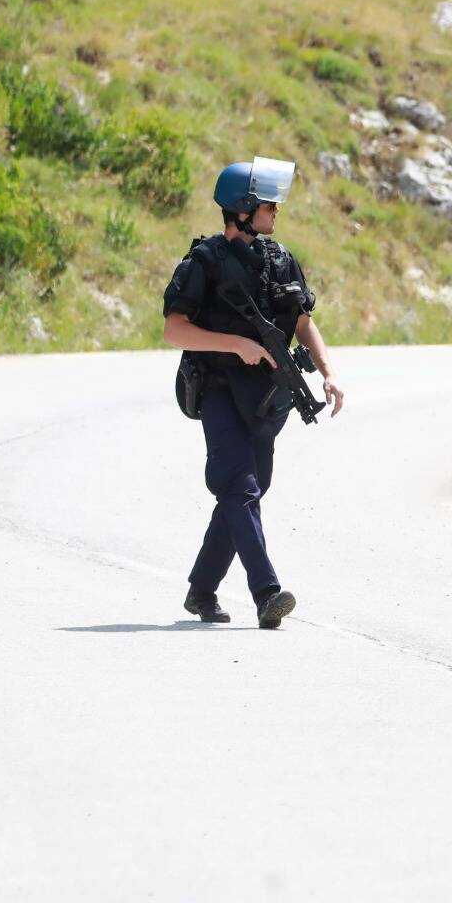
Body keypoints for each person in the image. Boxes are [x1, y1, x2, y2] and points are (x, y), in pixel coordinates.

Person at [162, 157, 345, 629]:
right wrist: (236, 345)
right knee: (238, 486)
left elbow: (304, 323)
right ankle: (267, 593)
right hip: (219, 389)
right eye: (268, 203)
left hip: (267, 396)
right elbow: (174, 330)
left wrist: (328, 373)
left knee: (249, 489)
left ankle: (202, 590)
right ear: (243, 209)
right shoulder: (203, 263)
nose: (276, 210)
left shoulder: (280, 259)